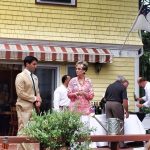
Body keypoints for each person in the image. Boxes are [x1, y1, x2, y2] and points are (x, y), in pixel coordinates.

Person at [15, 56, 42, 150]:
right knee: (23, 130)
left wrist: (38, 100)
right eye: (34, 64)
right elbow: (20, 93)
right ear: (27, 64)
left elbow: (37, 91)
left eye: (36, 64)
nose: (36, 66)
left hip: (33, 108)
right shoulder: (20, 76)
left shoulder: (35, 77)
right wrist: (34, 98)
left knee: (30, 131)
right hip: (23, 107)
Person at [104, 76, 129, 148]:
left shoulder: (109, 86)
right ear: (122, 81)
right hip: (116, 104)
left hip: (108, 104)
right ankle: (121, 144)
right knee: (120, 123)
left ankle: (110, 144)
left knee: (110, 123)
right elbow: (125, 101)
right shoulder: (122, 87)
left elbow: (105, 98)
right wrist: (126, 111)